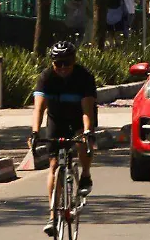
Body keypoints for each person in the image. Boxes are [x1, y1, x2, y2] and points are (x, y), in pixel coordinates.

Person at [29, 41, 98, 237]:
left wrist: (86, 132)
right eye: (58, 63)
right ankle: (52, 217)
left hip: (79, 117)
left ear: (74, 61)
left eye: (66, 63)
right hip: (56, 118)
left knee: (83, 141)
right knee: (53, 166)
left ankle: (85, 174)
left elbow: (87, 112)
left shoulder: (84, 77)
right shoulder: (46, 77)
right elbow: (39, 109)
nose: (62, 68)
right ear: (52, 63)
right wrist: (35, 133)